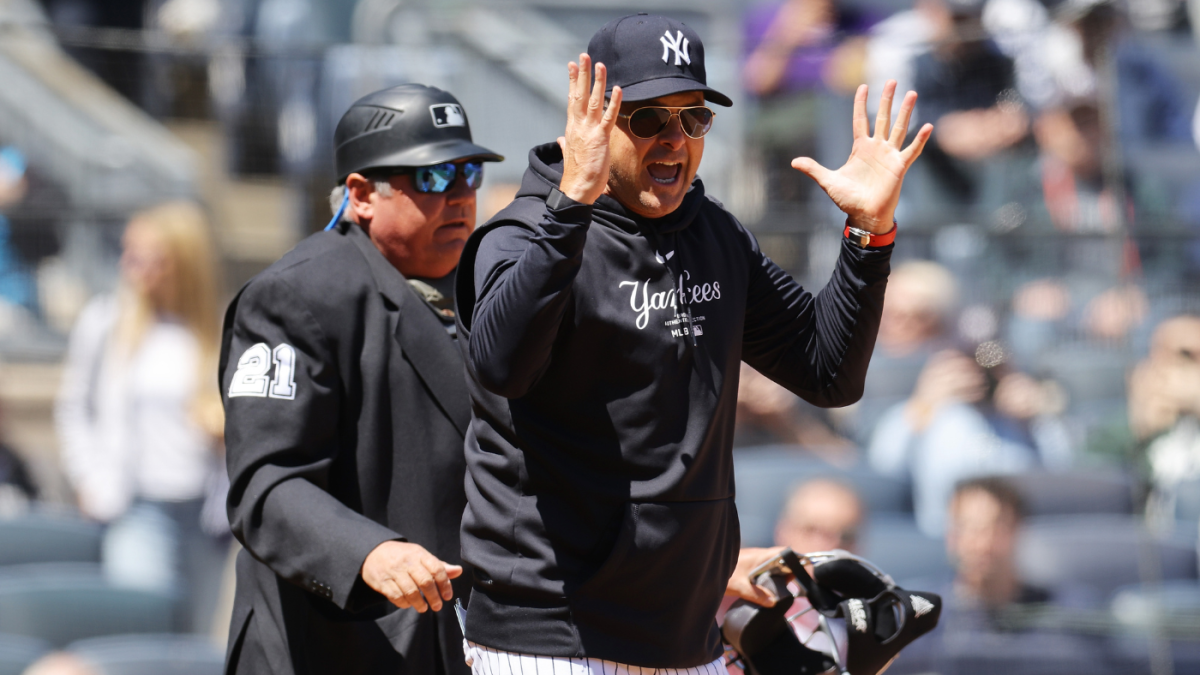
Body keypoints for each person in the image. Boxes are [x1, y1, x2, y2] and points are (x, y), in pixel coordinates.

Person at [453, 13, 931, 673]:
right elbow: (502, 366)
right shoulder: (526, 234)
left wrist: (868, 234)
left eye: (694, 119)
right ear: (595, 118)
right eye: (649, 119)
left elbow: (827, 372)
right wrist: (573, 201)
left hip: (685, 634)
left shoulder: (714, 235)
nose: (675, 141)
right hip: (548, 635)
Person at [220, 84, 502, 675]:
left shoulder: (491, 288)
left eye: (468, 174)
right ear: (361, 194)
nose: (458, 197)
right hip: (336, 646)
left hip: (464, 643)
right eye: (430, 178)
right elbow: (265, 486)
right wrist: (365, 550)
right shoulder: (295, 296)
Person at [55, 201, 227, 631]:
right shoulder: (106, 321)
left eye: (152, 257)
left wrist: (224, 426)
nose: (135, 267)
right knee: (141, 630)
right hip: (137, 506)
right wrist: (87, 477)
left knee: (193, 638)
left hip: (204, 513)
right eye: (130, 253)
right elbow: (75, 405)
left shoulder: (217, 326)